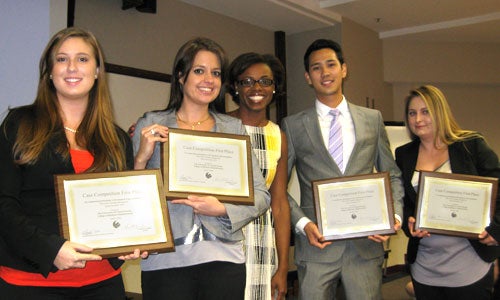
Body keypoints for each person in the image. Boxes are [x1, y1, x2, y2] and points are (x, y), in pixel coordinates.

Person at [0, 27, 145, 300]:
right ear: (49, 71)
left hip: (104, 284)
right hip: (31, 282)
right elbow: (3, 203)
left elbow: (122, 210)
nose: (72, 68)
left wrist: (131, 241)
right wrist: (50, 249)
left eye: (82, 59)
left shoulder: (116, 139)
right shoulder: (19, 124)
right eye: (62, 59)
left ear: (98, 70)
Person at [132, 37, 271, 300]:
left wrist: (223, 209)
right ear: (181, 76)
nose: (209, 79)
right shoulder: (151, 124)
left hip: (225, 260)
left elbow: (262, 196)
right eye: (199, 71)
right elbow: (130, 197)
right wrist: (141, 158)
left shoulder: (233, 129)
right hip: (167, 260)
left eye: (216, 73)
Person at [281, 38, 404, 299]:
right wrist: (303, 224)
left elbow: (391, 173)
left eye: (331, 65)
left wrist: (395, 217)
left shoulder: (373, 119)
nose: (325, 73)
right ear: (307, 76)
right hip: (317, 245)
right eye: (316, 68)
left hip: (365, 246)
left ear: (344, 69)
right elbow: (277, 187)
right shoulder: (292, 126)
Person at [395, 85, 500, 299]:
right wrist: (409, 221)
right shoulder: (404, 154)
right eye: (412, 113)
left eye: (425, 112)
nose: (418, 119)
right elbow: (402, 200)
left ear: (439, 112)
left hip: (470, 266)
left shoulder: (471, 145)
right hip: (425, 267)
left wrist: (496, 229)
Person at [227, 52, 290, 300]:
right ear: (235, 87)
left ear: (274, 88)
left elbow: (280, 204)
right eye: (247, 81)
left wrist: (282, 266)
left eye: (265, 81)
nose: (257, 88)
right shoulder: (219, 126)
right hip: (225, 237)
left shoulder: (278, 135)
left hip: (263, 243)